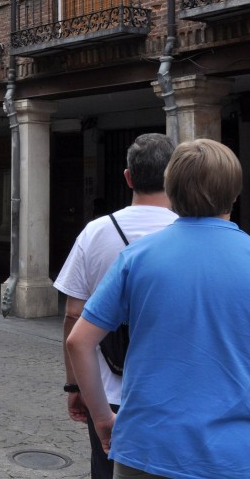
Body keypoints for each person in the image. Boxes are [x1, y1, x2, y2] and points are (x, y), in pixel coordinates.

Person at [66, 139, 250, 479]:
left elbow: (79, 341)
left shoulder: (137, 258)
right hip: (234, 455)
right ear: (235, 194)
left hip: (146, 448)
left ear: (172, 189)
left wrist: (103, 418)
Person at [54, 133, 176, 479]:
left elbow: (73, 315)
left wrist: (74, 385)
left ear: (128, 177)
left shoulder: (95, 232)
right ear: (174, 176)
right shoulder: (188, 231)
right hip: (169, 390)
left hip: (107, 390)